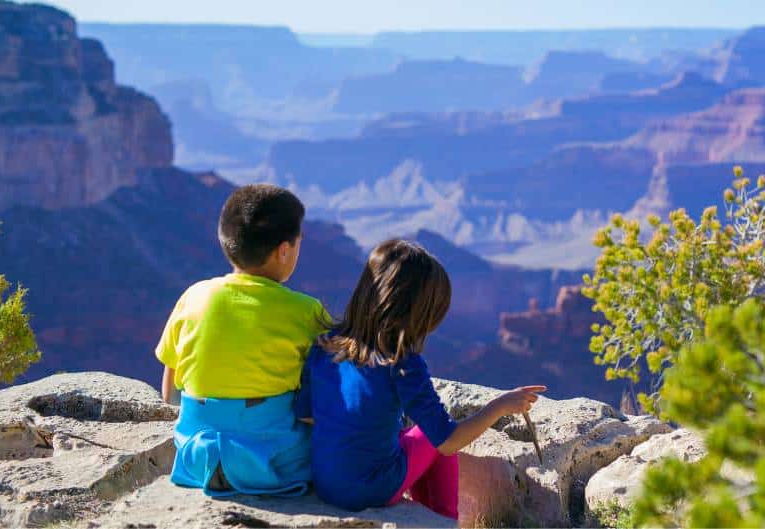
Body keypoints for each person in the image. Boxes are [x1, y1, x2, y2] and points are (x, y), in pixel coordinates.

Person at [295, 239, 545, 520]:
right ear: (418, 311)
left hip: (325, 484)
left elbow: (307, 417)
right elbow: (448, 441)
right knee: (434, 433)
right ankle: (443, 520)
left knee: (407, 436)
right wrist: (501, 405)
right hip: (371, 490)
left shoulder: (324, 345)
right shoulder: (402, 363)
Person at [155, 183, 330, 497]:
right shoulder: (306, 311)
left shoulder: (194, 296)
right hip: (275, 465)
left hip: (196, 460)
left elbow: (169, 388)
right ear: (284, 250)